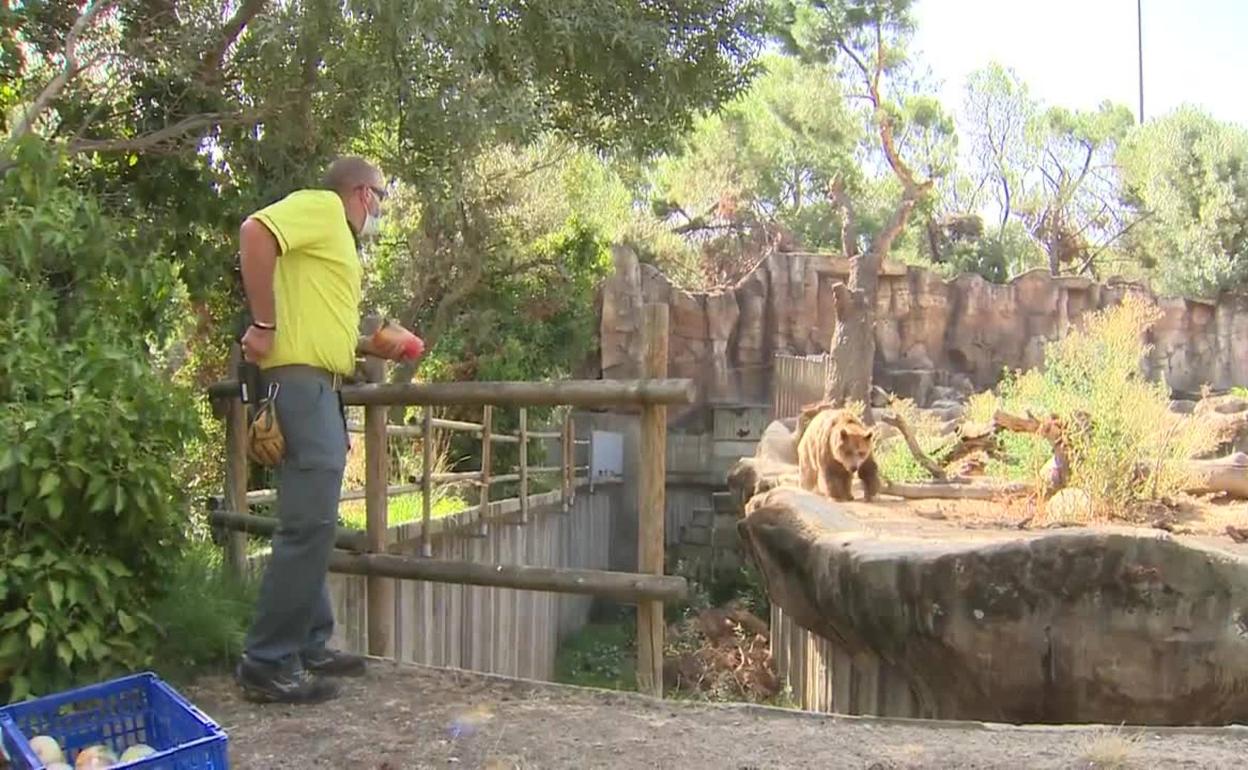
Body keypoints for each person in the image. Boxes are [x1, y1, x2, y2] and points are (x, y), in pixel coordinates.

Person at [233, 156, 410, 704]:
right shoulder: (323, 209)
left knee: (314, 521)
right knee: (307, 526)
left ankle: (309, 642)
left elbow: (314, 318)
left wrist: (370, 345)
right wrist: (264, 324)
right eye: (380, 197)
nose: (379, 210)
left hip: (319, 387)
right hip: (302, 386)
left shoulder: (333, 238)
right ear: (361, 193)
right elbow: (255, 231)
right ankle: (267, 662)